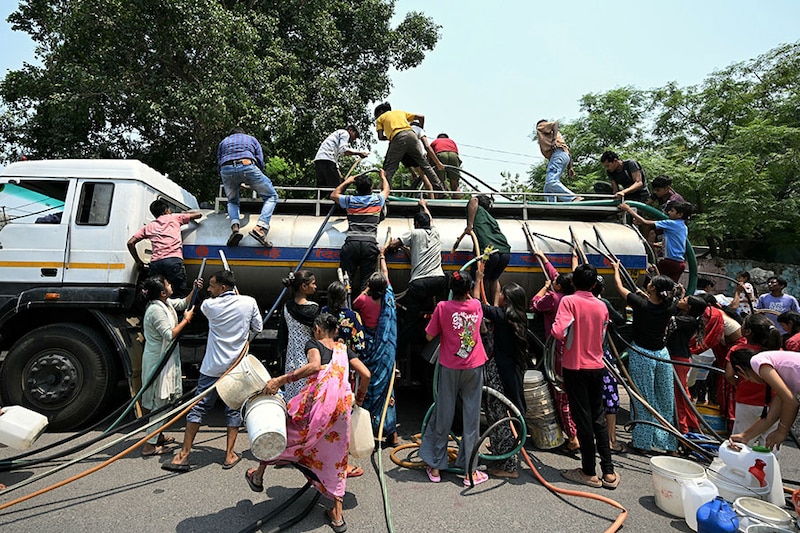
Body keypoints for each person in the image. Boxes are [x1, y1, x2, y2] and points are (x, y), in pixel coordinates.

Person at [245, 313, 372, 533]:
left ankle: (258, 476)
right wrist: (359, 398)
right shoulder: (344, 349)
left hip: (316, 410)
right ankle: (337, 516)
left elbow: (313, 367)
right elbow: (366, 374)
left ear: (318, 329)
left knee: (281, 434)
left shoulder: (313, 343)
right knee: (336, 457)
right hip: (340, 412)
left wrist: (281, 380)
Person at [164, 270, 262, 472]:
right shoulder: (249, 302)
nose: (208, 289)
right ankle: (229, 455)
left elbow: (213, 305)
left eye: (211, 285)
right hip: (236, 368)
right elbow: (257, 327)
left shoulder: (209, 305)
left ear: (222, 288)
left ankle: (183, 455)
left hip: (212, 368)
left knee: (198, 408)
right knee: (233, 408)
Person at [553, 264, 619, 490]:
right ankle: (609, 472)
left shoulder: (568, 301)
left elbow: (558, 331)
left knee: (582, 420)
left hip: (575, 368)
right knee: (597, 417)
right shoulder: (602, 306)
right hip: (597, 366)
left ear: (573, 283)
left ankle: (589, 471)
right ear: (593, 284)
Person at [420, 271, 488, 486]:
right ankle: (470, 471)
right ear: (468, 290)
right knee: (471, 419)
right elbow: (480, 321)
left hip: (450, 366)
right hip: (474, 366)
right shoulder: (476, 306)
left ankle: (436, 467)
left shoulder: (442, 307)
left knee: (444, 414)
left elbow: (429, 335)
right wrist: (478, 279)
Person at [612, 264, 678, 454]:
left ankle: (642, 443)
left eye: (652, 284)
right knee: (665, 399)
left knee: (643, 398)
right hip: (662, 355)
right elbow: (668, 290)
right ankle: (669, 444)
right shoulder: (669, 306)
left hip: (642, 354)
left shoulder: (641, 305)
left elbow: (619, 287)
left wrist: (616, 268)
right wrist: (658, 275)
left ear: (653, 289)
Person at [473, 263, 528, 478]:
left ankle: (507, 466)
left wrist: (478, 279)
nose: (501, 295)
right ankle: (502, 452)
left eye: (503, 294)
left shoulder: (503, 316)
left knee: (499, 416)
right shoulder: (518, 317)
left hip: (500, 373)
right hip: (511, 372)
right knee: (504, 414)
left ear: (508, 299)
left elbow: (477, 305)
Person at [139, 275, 198, 456]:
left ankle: (157, 435)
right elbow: (169, 334)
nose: (171, 285)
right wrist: (186, 320)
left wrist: (194, 289)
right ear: (163, 292)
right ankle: (149, 446)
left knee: (162, 401)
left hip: (164, 358)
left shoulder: (164, 304)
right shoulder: (156, 311)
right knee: (160, 402)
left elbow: (181, 303)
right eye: (168, 284)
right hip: (158, 362)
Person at [529, 250, 580, 455]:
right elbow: (556, 275)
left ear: (558, 286)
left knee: (561, 395)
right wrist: (544, 259)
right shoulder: (573, 297)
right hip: (573, 349)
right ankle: (577, 432)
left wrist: (543, 288)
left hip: (557, 350)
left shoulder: (552, 298)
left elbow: (534, 304)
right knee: (573, 394)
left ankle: (573, 437)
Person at [385, 199, 447, 348]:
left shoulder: (414, 233)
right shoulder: (436, 232)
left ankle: (401, 353)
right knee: (442, 312)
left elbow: (394, 244)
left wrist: (390, 245)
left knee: (409, 322)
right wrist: (424, 206)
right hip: (439, 280)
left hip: (419, 283)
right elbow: (430, 220)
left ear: (417, 224)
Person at [352, 253, 398, 446]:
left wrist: (366, 289)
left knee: (370, 388)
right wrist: (382, 258)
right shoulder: (389, 297)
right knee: (388, 388)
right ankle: (392, 434)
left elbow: (354, 303)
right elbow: (385, 274)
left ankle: (369, 430)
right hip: (385, 350)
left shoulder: (363, 301)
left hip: (370, 346)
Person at [727, 314, 783, 448]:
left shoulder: (737, 350)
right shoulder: (778, 352)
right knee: (769, 446)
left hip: (745, 402)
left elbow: (729, 375)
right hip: (774, 403)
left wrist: (739, 383)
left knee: (740, 443)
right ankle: (767, 468)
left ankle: (738, 468)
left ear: (748, 332)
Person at [217, 127, 279, 247]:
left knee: (232, 201)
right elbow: (260, 161)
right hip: (247, 166)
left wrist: (236, 180)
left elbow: (219, 162)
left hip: (226, 170)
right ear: (242, 133)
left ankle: (235, 228)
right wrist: (252, 181)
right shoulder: (251, 139)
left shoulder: (223, 142)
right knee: (271, 196)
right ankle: (260, 227)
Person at [127, 199, 202, 297]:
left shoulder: (149, 226)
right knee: (178, 292)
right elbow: (198, 215)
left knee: (156, 293)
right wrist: (184, 213)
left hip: (156, 263)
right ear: (167, 210)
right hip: (173, 261)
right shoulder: (174, 218)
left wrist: (138, 261)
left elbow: (130, 243)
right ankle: (177, 312)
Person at [331, 170, 390, 292]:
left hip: (352, 243)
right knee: (366, 281)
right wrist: (383, 177)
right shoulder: (377, 199)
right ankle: (362, 304)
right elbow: (387, 190)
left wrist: (348, 181)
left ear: (357, 188)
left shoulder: (350, 200)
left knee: (345, 280)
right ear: (371, 188)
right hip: (369, 244)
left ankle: (344, 306)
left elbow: (333, 195)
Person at [730, 349, 800, 450]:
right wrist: (745, 436)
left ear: (740, 370)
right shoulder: (782, 373)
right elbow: (770, 416)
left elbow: (791, 402)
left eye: (745, 378)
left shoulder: (757, 362)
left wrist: (781, 431)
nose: (749, 381)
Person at [373, 102, 444, 193]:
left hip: (397, 137)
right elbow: (421, 117)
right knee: (425, 164)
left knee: (389, 168)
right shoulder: (400, 112)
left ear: (381, 111)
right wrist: (421, 128)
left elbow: (380, 137)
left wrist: (391, 136)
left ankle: (386, 192)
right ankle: (439, 188)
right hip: (412, 135)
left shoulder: (380, 119)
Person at [592, 275, 627, 452]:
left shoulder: (575, 302)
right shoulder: (603, 303)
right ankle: (611, 440)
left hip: (585, 356)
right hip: (603, 356)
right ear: (602, 290)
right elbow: (621, 320)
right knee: (610, 397)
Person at [618, 201, 693, 282]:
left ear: (679, 215)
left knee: (654, 279)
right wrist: (653, 244)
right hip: (680, 264)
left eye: (672, 211)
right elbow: (675, 243)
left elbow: (645, 222)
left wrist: (629, 210)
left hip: (669, 262)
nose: (668, 212)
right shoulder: (684, 227)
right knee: (670, 287)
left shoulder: (671, 223)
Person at [459, 195, 512, 306]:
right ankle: (495, 306)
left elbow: (473, 200)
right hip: (505, 252)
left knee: (475, 278)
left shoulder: (477, 209)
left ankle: (477, 307)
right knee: (494, 279)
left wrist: (469, 226)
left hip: (488, 252)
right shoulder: (490, 218)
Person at [666, 294, 707, 434]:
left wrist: (670, 300)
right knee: (682, 396)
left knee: (680, 397)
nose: (680, 300)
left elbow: (666, 316)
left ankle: (683, 430)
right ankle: (691, 427)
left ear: (688, 308)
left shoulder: (687, 320)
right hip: (679, 359)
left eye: (684, 300)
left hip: (678, 360)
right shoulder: (686, 317)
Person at [279, 270, 320, 401]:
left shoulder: (287, 307)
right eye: (313, 283)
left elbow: (283, 334)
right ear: (304, 286)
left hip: (291, 358)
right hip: (309, 357)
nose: (315, 286)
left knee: (292, 397)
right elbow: (318, 335)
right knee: (307, 398)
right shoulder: (314, 309)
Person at [536, 120, 581, 202]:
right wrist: (570, 167)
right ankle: (550, 206)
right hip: (563, 155)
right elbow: (568, 151)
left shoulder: (541, 126)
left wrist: (553, 140)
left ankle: (572, 198)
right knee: (548, 188)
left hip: (557, 155)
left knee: (551, 181)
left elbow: (555, 123)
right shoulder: (557, 136)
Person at [401, 121, 444, 197]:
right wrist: (438, 163)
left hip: (401, 148)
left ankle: (380, 191)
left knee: (390, 170)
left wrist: (413, 172)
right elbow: (427, 146)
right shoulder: (419, 129)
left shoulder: (405, 129)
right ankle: (432, 199)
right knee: (424, 176)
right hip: (413, 150)